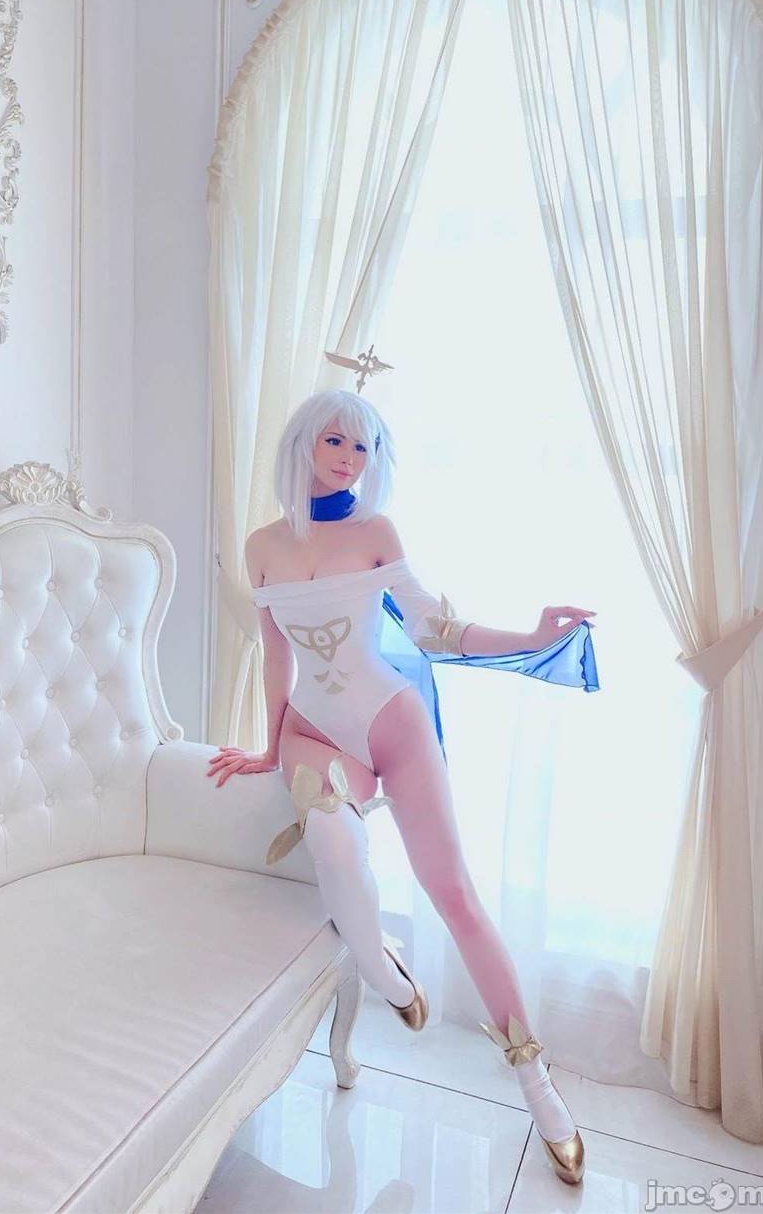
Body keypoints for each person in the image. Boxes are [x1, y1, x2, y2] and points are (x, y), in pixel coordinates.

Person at [206, 388, 598, 1185]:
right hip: (315, 731)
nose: (350, 459)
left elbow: (434, 629)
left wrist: (531, 635)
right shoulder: (260, 546)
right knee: (331, 837)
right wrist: (270, 745)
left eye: (364, 447)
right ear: (304, 445)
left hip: (392, 719)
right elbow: (276, 654)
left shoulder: (375, 532)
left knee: (453, 895)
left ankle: (537, 1082)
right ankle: (387, 974)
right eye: (336, 441)